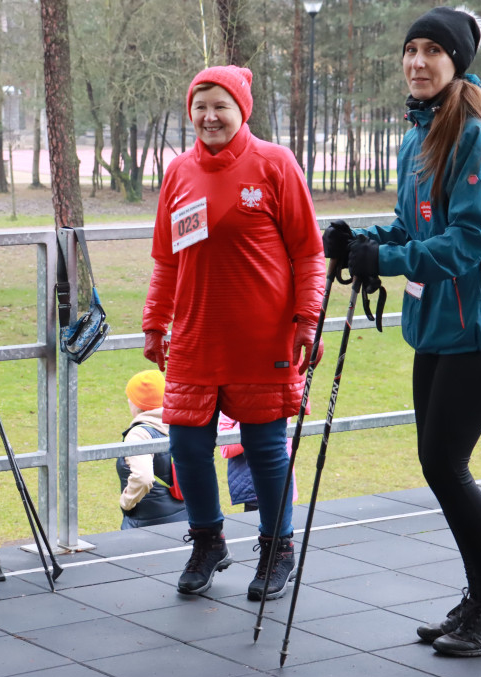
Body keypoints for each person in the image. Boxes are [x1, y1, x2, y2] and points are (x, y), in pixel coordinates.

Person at [324, 7, 481, 657]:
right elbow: (415, 228)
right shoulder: (422, 132)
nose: (417, 61)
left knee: (444, 464)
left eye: (432, 50)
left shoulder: (471, 130)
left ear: (456, 61)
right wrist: (362, 241)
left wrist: (385, 260)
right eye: (410, 49)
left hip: (478, 322)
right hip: (436, 321)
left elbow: (467, 240)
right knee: (439, 466)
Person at [142, 65, 325, 601]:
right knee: (186, 445)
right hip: (197, 334)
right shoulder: (179, 172)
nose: (209, 116)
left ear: (241, 108)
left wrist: (306, 319)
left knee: (264, 447)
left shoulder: (274, 163)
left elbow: (309, 254)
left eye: (220, 105)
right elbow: (166, 259)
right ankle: (207, 541)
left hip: (263, 336)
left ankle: (276, 549)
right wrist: (155, 322)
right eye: (199, 106)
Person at [117, 369, 187, 529]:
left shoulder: (139, 434)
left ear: (136, 403)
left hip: (147, 527)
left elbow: (143, 478)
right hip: (187, 520)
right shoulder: (181, 424)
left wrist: (126, 502)